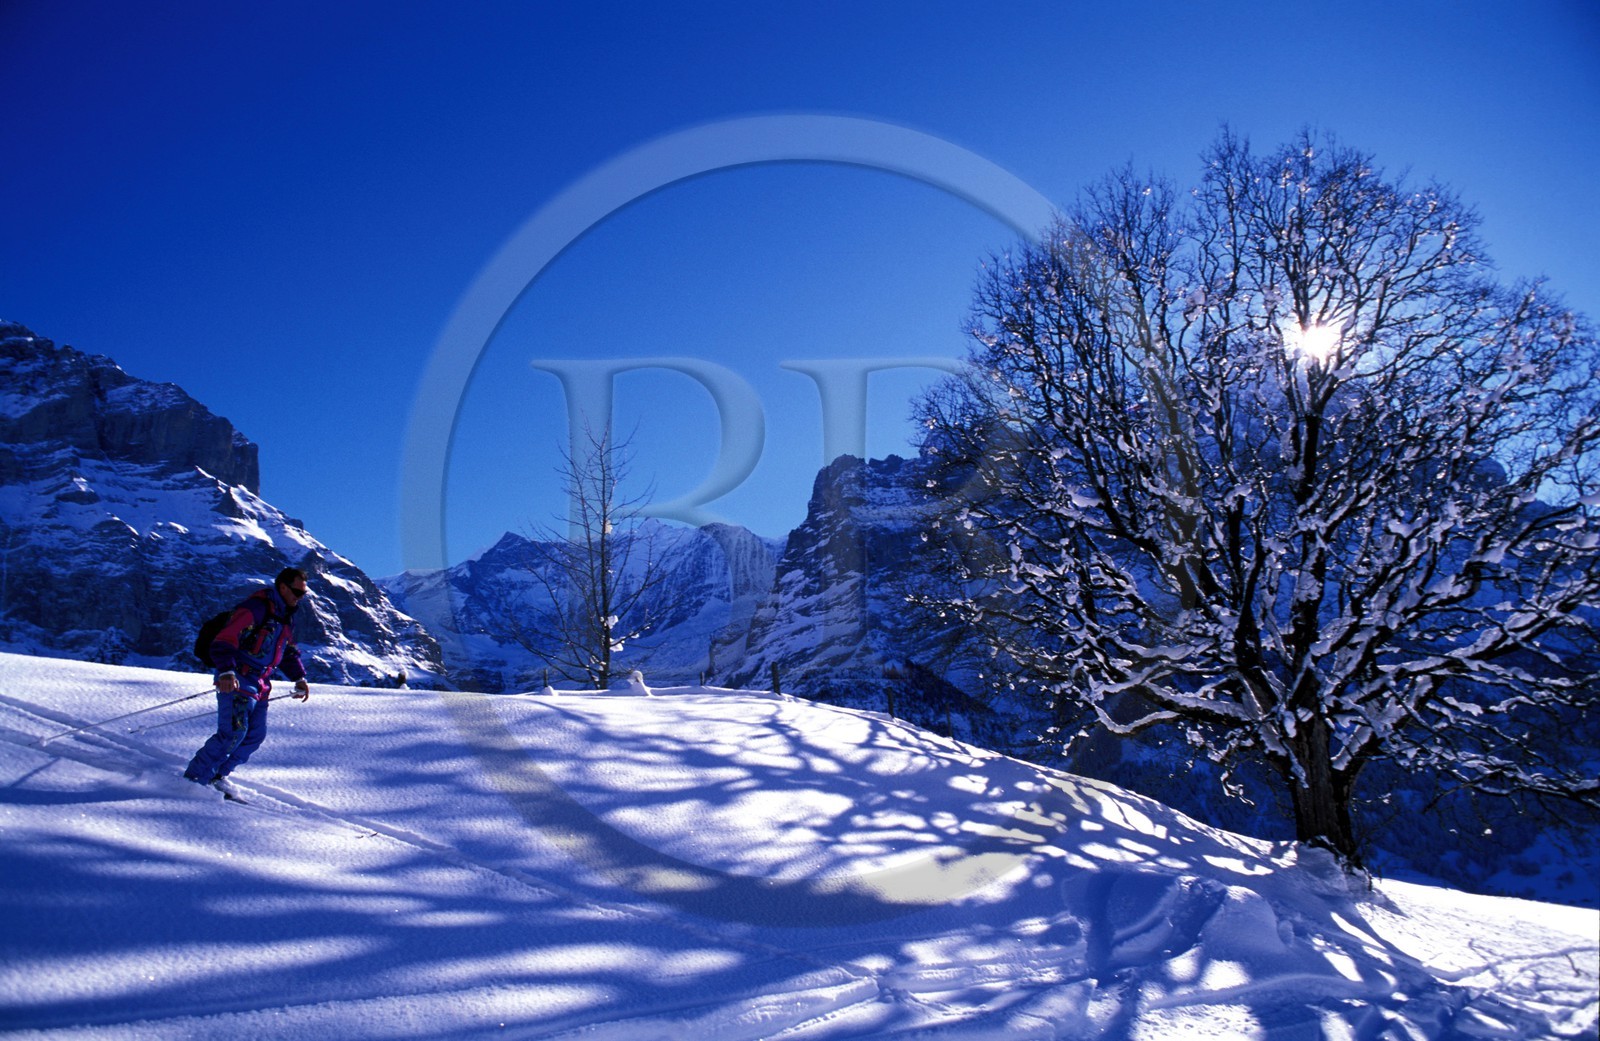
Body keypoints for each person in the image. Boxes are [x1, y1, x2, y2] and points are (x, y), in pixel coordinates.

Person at [184, 567, 312, 796]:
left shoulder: (285, 618)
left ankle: (216, 777)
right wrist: (226, 671)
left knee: (254, 736)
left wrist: (299, 678)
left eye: (303, 593)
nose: (300, 597)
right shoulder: (255, 608)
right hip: (237, 677)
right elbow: (225, 639)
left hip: (261, 683)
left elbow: (287, 652)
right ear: (283, 587)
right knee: (233, 732)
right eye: (297, 592)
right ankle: (192, 783)